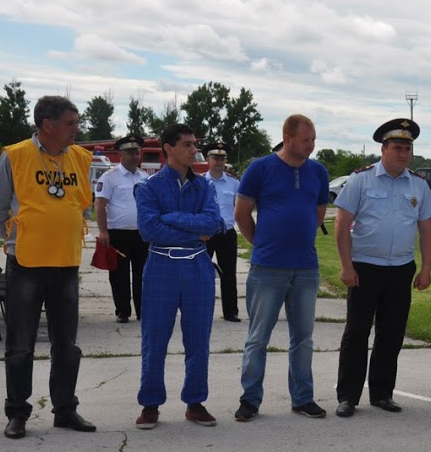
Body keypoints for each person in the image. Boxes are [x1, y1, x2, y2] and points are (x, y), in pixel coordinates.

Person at [0, 96, 97, 439]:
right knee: (21, 344)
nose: (76, 129)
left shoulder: (80, 158)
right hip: (26, 264)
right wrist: (17, 241)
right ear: (47, 124)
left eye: (76, 122)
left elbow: (83, 206)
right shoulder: (16, 155)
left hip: (66, 264)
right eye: (70, 123)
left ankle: (65, 410)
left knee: (67, 344)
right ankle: (17, 413)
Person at [333, 118, 431, 417]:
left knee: (391, 335)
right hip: (364, 268)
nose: (403, 154)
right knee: (356, 334)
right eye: (397, 148)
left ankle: (382, 393)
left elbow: (426, 229)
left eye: (407, 149)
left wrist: (426, 269)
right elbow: (342, 224)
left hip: (400, 269)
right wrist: (346, 266)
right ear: (383, 149)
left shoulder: (418, 184)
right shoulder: (361, 179)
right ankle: (348, 396)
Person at [233, 115, 330, 422]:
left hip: (305, 268)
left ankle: (302, 398)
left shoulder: (318, 171)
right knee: (258, 337)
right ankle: (250, 399)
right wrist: (262, 244)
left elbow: (318, 214)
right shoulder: (260, 168)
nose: (311, 146)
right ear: (287, 138)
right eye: (306, 140)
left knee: (303, 337)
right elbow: (242, 214)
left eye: (313, 140)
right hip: (268, 268)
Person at [134, 124, 225, 430]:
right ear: (168, 148)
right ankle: (150, 403)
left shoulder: (205, 187)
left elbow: (212, 223)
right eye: (187, 144)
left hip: (198, 266)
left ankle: (195, 402)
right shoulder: (148, 187)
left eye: (194, 144)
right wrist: (194, 231)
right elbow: (149, 230)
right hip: (161, 266)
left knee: (198, 337)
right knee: (155, 337)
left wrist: (172, 217)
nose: (193, 150)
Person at [95, 133, 149, 323]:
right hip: (118, 234)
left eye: (137, 153)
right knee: (119, 275)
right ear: (120, 154)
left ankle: (143, 311)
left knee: (143, 274)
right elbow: (100, 205)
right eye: (130, 153)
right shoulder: (110, 177)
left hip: (142, 234)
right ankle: (123, 311)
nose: (134, 156)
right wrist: (103, 231)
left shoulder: (145, 177)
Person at [203, 142, 241, 322]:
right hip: (206, 234)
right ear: (207, 159)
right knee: (203, 274)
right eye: (215, 158)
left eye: (222, 158)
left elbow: (239, 208)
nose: (219, 162)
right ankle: (202, 310)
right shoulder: (200, 182)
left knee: (229, 273)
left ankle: (230, 311)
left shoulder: (234, 183)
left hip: (227, 234)